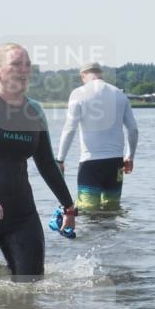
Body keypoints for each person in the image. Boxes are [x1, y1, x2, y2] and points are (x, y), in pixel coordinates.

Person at [0, 43, 76, 279]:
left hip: (22, 214)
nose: (24, 70)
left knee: (32, 285)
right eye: (16, 64)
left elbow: (46, 164)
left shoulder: (34, 111)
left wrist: (69, 207)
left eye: (27, 65)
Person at [56, 62, 139, 212]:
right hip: (116, 164)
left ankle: (93, 236)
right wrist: (130, 157)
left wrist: (60, 159)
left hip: (90, 164)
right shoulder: (119, 94)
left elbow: (69, 129)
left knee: (88, 212)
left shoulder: (78, 93)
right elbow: (133, 130)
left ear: (83, 76)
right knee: (113, 210)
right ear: (101, 75)